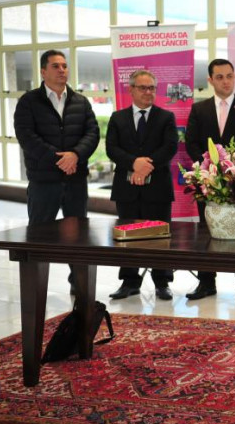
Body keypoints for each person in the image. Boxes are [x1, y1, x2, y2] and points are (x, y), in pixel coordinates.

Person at [13, 49, 100, 294]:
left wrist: (75, 155)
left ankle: (79, 286)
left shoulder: (80, 101)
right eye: (56, 66)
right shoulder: (29, 101)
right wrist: (59, 159)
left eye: (64, 66)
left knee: (79, 237)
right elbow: (26, 136)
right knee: (39, 236)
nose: (62, 70)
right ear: (43, 71)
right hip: (43, 181)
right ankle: (35, 288)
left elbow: (92, 133)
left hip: (75, 180)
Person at [184, 59, 235, 301]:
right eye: (219, 77)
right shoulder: (199, 109)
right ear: (210, 80)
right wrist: (211, 168)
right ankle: (206, 282)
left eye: (229, 76)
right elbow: (191, 143)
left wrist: (233, 168)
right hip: (209, 181)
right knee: (206, 231)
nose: (225, 81)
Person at [106, 70, 178, 301]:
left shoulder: (166, 117)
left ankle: (162, 282)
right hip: (126, 188)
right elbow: (111, 148)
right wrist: (133, 163)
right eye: (143, 88)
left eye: (152, 88)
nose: (148, 92)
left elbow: (170, 147)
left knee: (160, 237)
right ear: (131, 90)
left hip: (158, 188)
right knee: (127, 236)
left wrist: (146, 166)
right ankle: (129, 282)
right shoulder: (117, 117)